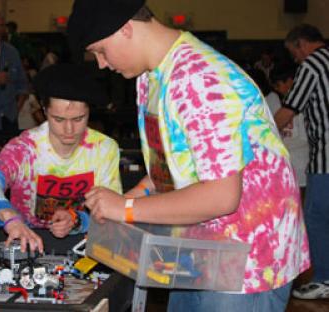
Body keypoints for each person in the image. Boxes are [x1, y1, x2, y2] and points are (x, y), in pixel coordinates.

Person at [68, 1, 309, 311]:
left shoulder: (199, 78)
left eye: (101, 50)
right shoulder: (151, 78)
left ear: (125, 28)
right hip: (200, 251)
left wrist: (126, 208)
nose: (101, 63)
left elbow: (222, 197)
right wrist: (122, 203)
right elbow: (165, 171)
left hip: (247, 264)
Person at [0, 64, 122, 253]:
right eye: (58, 119)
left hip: (83, 247)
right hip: (26, 245)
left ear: (89, 112)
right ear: (44, 111)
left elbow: (113, 212)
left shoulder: (104, 149)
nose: (69, 130)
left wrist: (76, 220)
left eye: (78, 119)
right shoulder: (25, 148)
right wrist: (10, 218)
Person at [274, 24, 329, 300]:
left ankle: (324, 278)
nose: (294, 59)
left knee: (316, 216)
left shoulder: (313, 64)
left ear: (301, 44)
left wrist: (263, 135)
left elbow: (289, 107)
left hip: (326, 155)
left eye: (292, 52)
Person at [267, 65, 309, 191]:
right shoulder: (271, 99)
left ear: (290, 81)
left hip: (301, 163)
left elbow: (305, 139)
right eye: (274, 87)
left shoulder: (305, 99)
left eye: (278, 85)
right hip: (281, 165)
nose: (277, 89)